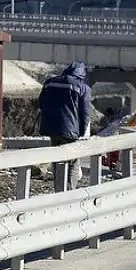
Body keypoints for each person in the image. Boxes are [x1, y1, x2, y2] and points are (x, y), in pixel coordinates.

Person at [38, 60, 91, 191]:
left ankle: (59, 190)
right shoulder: (83, 87)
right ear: (81, 74)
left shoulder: (50, 82)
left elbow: (41, 103)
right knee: (73, 162)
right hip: (70, 131)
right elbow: (85, 113)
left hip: (51, 128)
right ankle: (70, 192)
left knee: (58, 159)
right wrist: (82, 131)